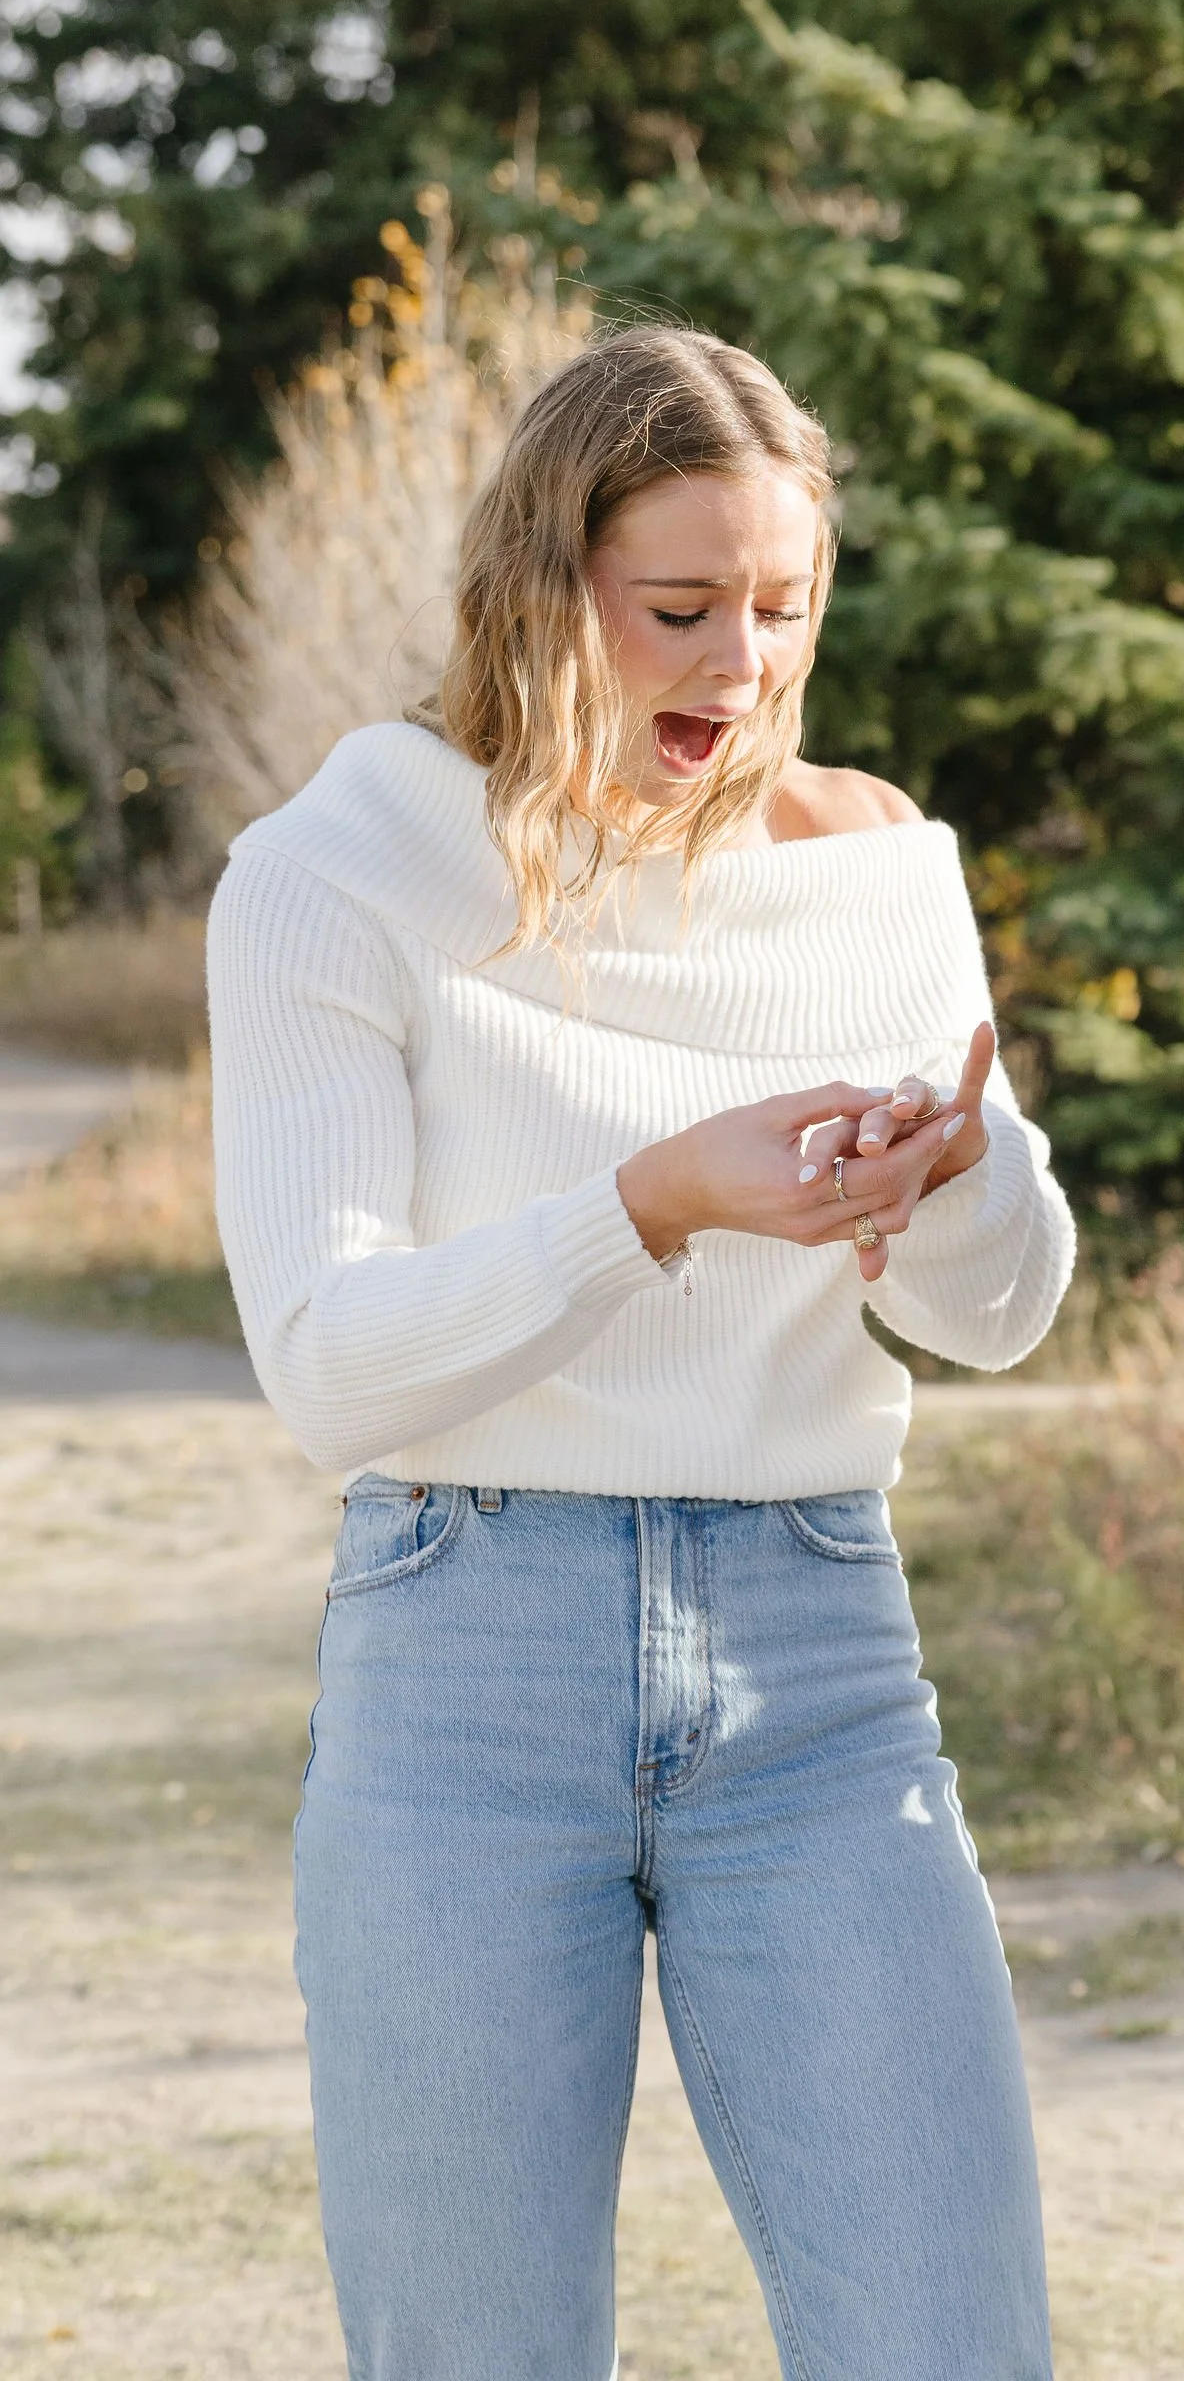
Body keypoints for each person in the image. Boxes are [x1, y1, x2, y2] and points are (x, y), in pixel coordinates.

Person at [207, 325, 1074, 2381]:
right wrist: (648, 1206)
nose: (743, 667)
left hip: (821, 1664)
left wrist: (941, 1183)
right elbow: (329, 1359)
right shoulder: (337, 874)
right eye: (681, 611)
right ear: (540, 586)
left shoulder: (872, 871)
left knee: (948, 2342)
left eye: (782, 608)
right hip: (463, 1662)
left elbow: (1003, 1309)